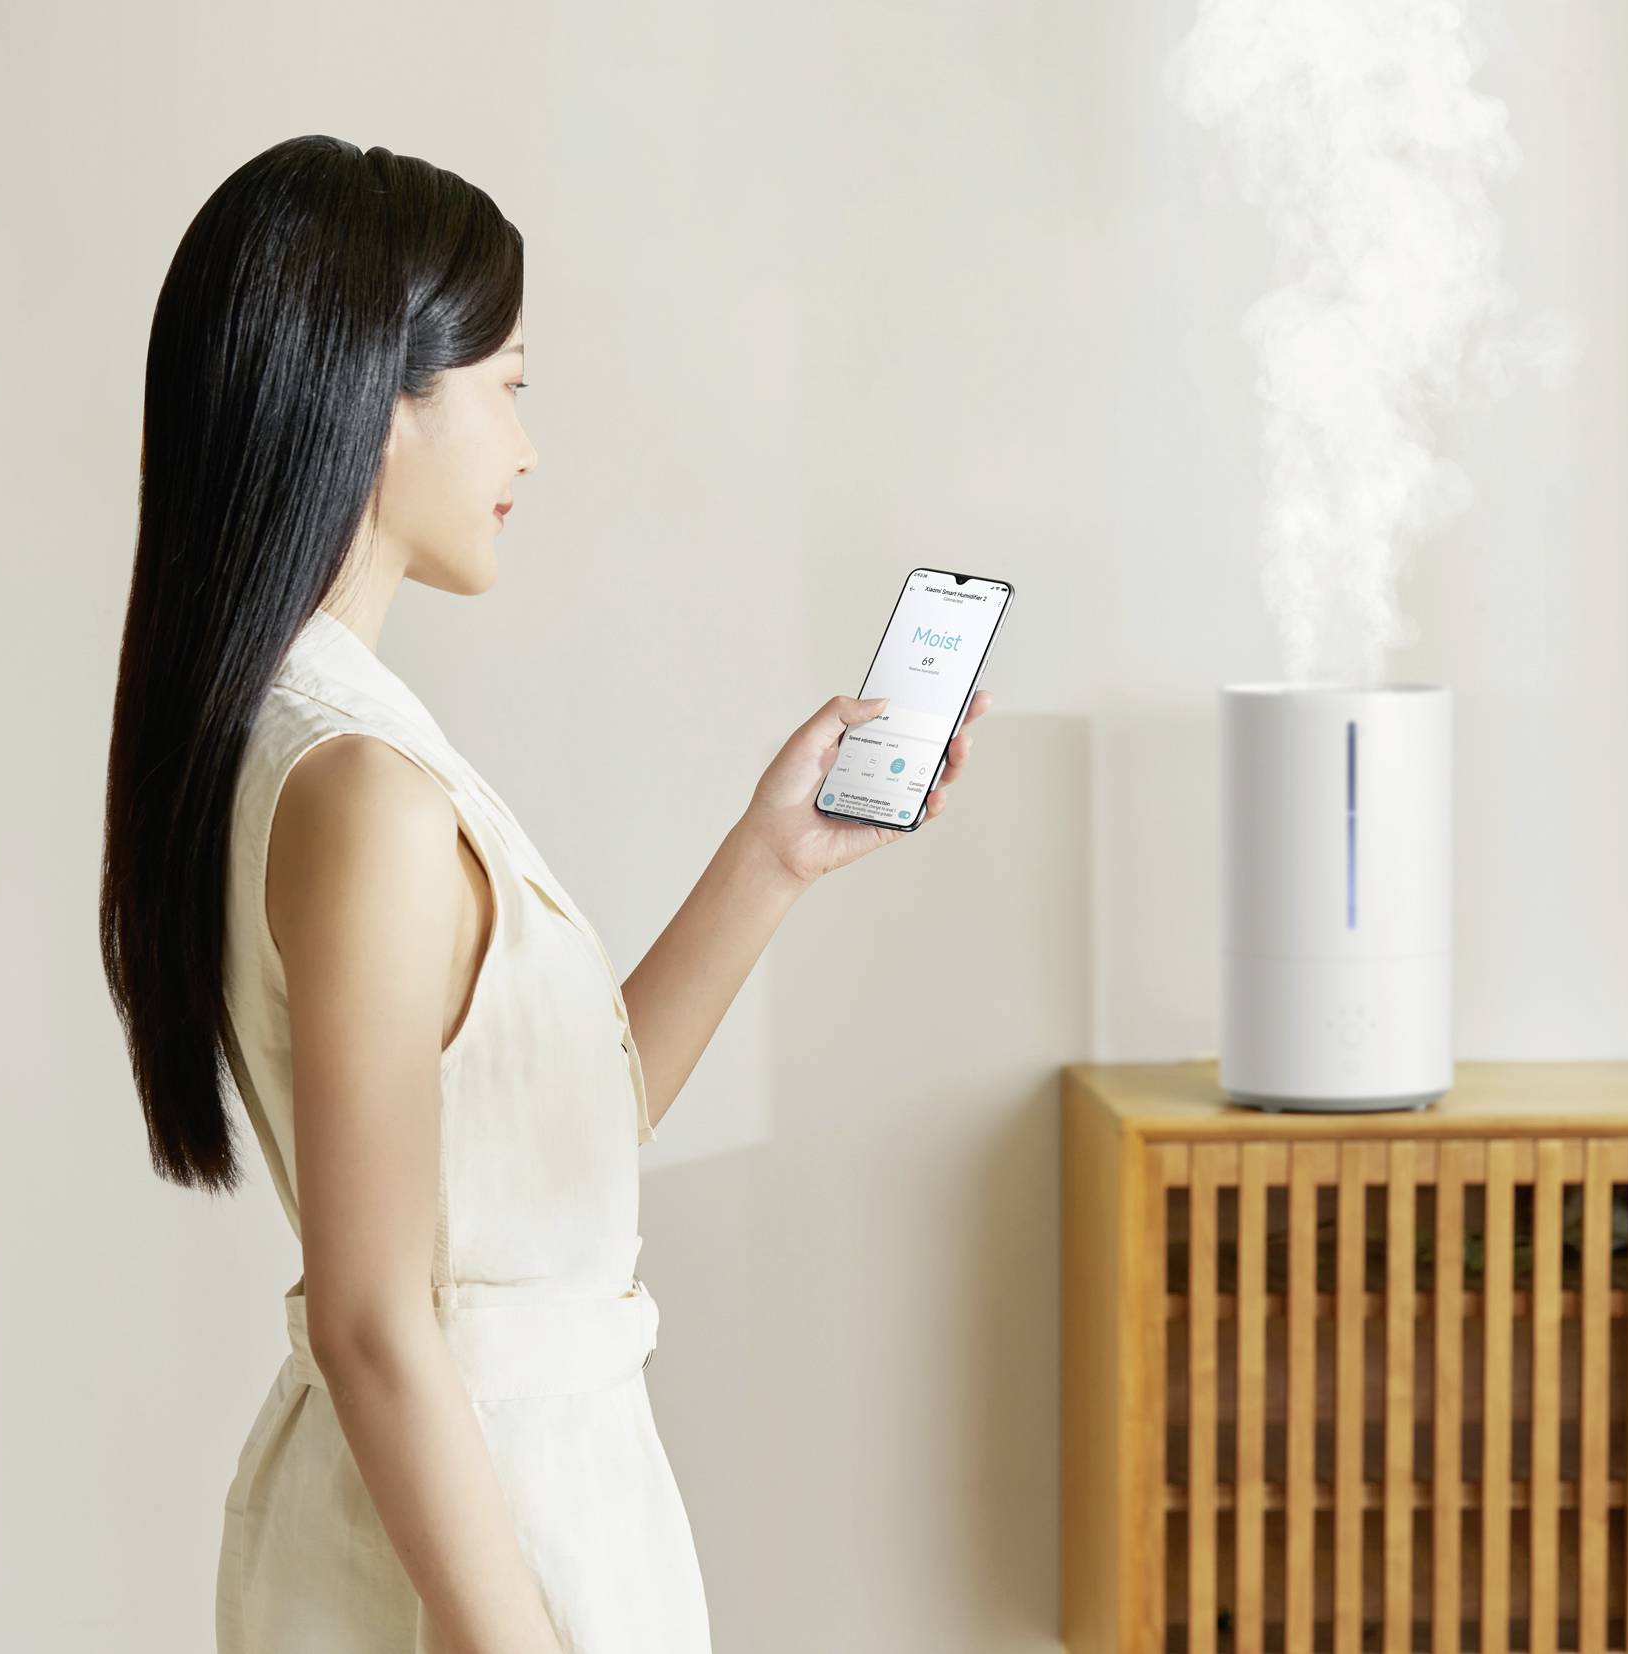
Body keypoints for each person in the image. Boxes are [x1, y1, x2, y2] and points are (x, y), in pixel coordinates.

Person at [96, 134, 990, 1654]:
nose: (528, 446)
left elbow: (550, 1138)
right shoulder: (364, 790)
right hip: (481, 1534)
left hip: (478, 1506)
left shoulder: (305, 742)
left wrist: (770, 857)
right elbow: (376, 1321)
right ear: (383, 402)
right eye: (508, 385)